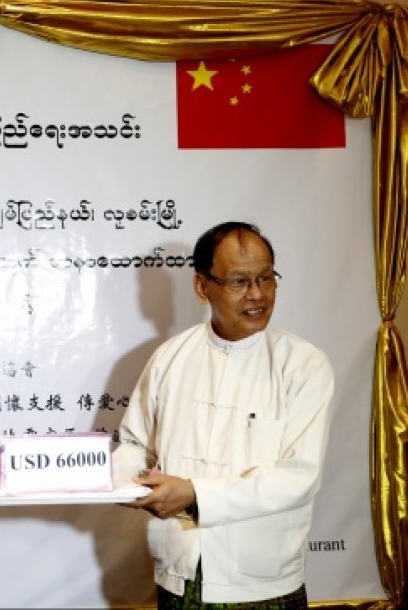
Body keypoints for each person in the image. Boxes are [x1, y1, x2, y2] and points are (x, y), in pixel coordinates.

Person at [113, 221, 335, 609]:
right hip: (179, 573)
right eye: (239, 281)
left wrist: (194, 493)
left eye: (266, 278)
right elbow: (134, 445)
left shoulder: (303, 365)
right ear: (202, 286)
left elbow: (298, 478)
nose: (257, 294)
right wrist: (119, 482)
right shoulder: (170, 357)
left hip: (263, 583)